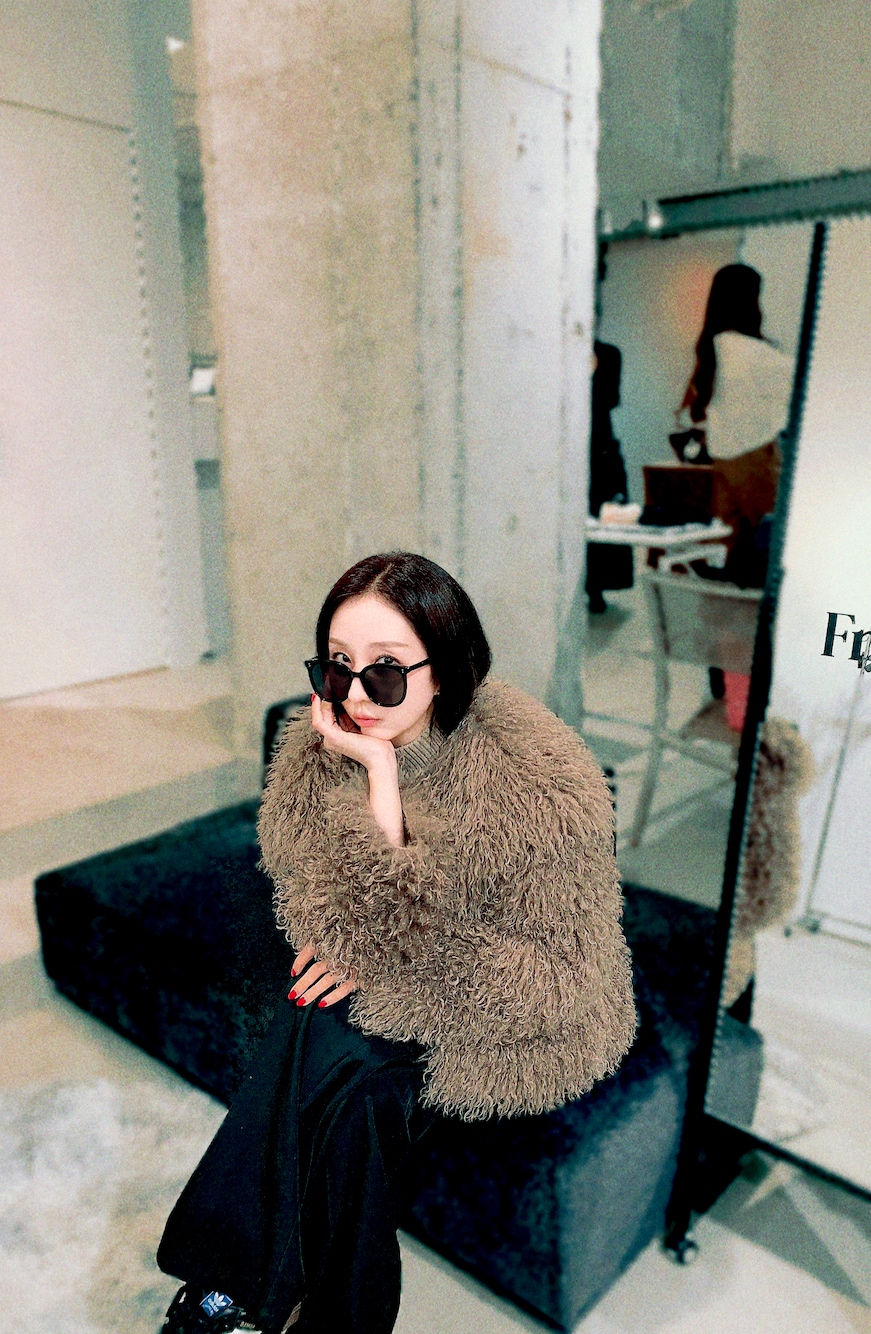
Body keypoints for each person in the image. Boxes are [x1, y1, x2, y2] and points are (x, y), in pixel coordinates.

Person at [156, 551, 637, 1334]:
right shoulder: (322, 747)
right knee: (348, 1079)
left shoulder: (542, 782)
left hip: (519, 1011)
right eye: (337, 666)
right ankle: (319, 1313)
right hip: (420, 989)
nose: (354, 695)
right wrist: (377, 779)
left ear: (442, 669)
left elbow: (555, 980)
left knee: (333, 1043)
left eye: (384, 671)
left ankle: (223, 1290)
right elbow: (316, 915)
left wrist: (391, 974)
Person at [678, 262, 794, 592]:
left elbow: (692, 413)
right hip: (756, 456)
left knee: (736, 550)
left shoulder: (713, 347)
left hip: (724, 459)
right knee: (773, 547)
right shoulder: (750, 351)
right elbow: (798, 386)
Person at [586, 339, 634, 613]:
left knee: (603, 512)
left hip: (601, 445)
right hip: (584, 445)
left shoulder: (608, 354)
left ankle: (597, 586)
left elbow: (609, 398)